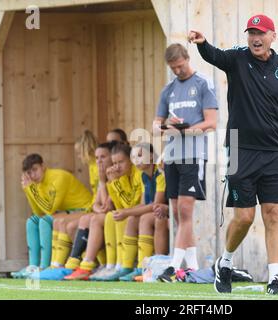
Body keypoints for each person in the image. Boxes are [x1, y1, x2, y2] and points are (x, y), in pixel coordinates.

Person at [188, 14, 278, 294]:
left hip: (273, 151)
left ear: (272, 36)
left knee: (273, 213)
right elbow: (215, 56)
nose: (255, 37)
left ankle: (274, 279)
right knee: (245, 217)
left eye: (260, 32)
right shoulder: (237, 59)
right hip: (239, 147)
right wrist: (203, 44)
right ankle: (224, 264)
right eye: (251, 32)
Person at [152, 43, 218, 282]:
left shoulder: (203, 84)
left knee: (186, 211)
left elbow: (212, 122)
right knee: (179, 216)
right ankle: (193, 268)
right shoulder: (167, 90)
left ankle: (172, 266)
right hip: (171, 156)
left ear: (187, 59)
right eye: (173, 68)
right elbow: (155, 125)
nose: (177, 71)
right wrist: (167, 125)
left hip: (193, 155)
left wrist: (187, 130)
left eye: (180, 66)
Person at [65, 142, 143, 281]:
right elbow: (102, 204)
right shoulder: (115, 175)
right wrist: (106, 182)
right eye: (97, 158)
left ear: (131, 160)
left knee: (104, 218)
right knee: (96, 219)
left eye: (103, 157)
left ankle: (109, 265)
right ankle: (98, 265)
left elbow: (124, 205)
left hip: (133, 215)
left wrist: (113, 183)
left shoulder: (133, 174)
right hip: (121, 214)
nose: (99, 161)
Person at [11, 153, 93, 279]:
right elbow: (38, 212)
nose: (33, 175)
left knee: (45, 221)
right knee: (31, 221)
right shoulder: (38, 183)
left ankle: (45, 266)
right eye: (29, 172)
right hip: (68, 212)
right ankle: (33, 266)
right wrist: (28, 191)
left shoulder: (58, 177)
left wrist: (31, 189)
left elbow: (49, 209)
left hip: (85, 209)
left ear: (43, 166)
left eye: (35, 170)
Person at [112, 142, 169, 281]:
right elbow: (144, 204)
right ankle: (128, 267)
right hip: (155, 211)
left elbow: (157, 204)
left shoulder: (160, 174)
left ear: (151, 157)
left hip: (167, 212)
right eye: (133, 157)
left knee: (143, 218)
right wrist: (126, 212)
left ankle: (145, 267)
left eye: (139, 155)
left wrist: (127, 212)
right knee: (132, 219)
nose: (136, 160)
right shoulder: (143, 176)